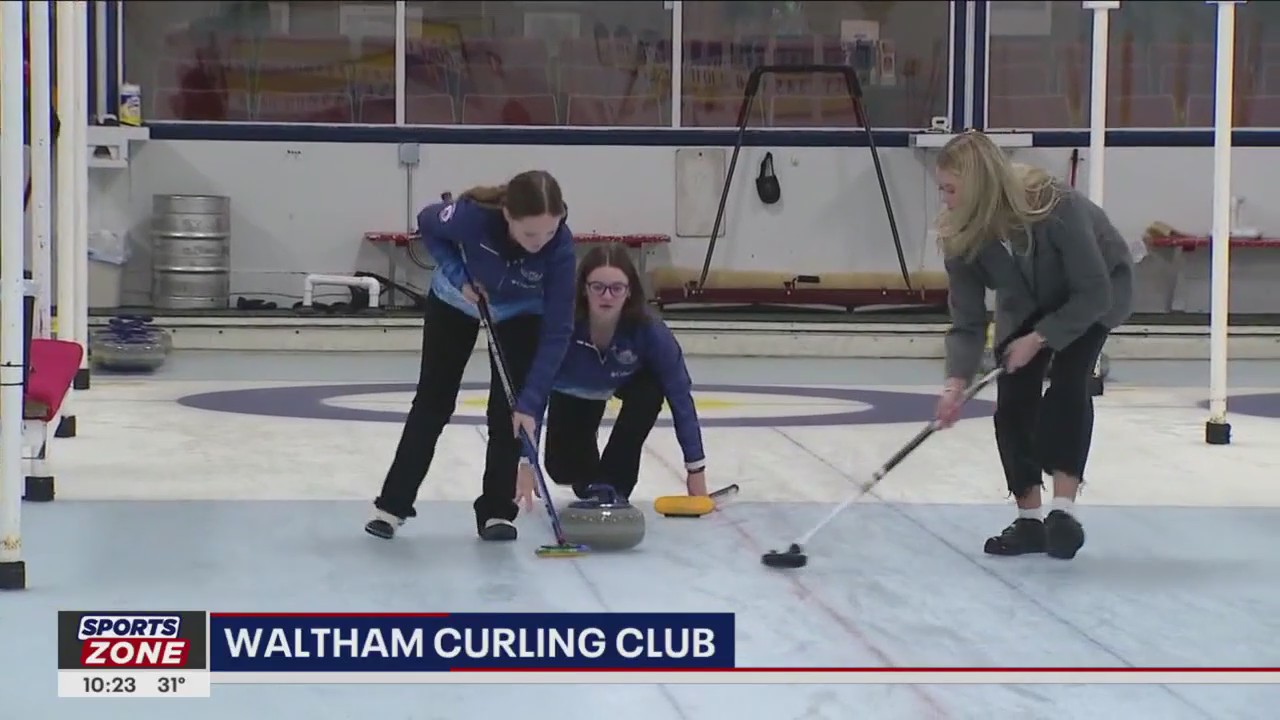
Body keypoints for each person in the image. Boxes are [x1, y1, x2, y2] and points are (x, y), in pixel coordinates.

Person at [931, 131, 1134, 560]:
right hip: (1026, 300)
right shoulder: (960, 235)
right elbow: (967, 321)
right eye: (942, 190)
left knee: (1069, 375)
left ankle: (1063, 513)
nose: (945, 201)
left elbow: (1094, 291)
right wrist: (954, 383)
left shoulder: (1053, 204)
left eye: (951, 190)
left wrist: (1041, 337)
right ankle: (1028, 522)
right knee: (1013, 396)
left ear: (980, 185)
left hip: (1094, 292)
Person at [366, 170, 576, 542]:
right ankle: (392, 505)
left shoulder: (559, 247)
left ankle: (497, 511)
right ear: (507, 215)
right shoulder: (472, 217)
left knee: (509, 413)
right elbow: (427, 224)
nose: (540, 242)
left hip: (519, 312)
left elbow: (558, 330)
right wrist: (457, 275)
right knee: (434, 401)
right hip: (455, 300)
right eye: (530, 234)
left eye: (549, 231)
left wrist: (530, 402)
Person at [525, 243, 708, 505]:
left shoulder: (650, 332)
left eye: (616, 288)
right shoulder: (561, 326)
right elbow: (535, 393)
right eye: (597, 287)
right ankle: (588, 476)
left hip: (624, 382)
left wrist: (695, 470)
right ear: (584, 289)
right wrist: (525, 461)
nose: (607, 296)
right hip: (572, 388)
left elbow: (680, 397)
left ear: (629, 291)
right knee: (563, 470)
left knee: (651, 390)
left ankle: (613, 482)